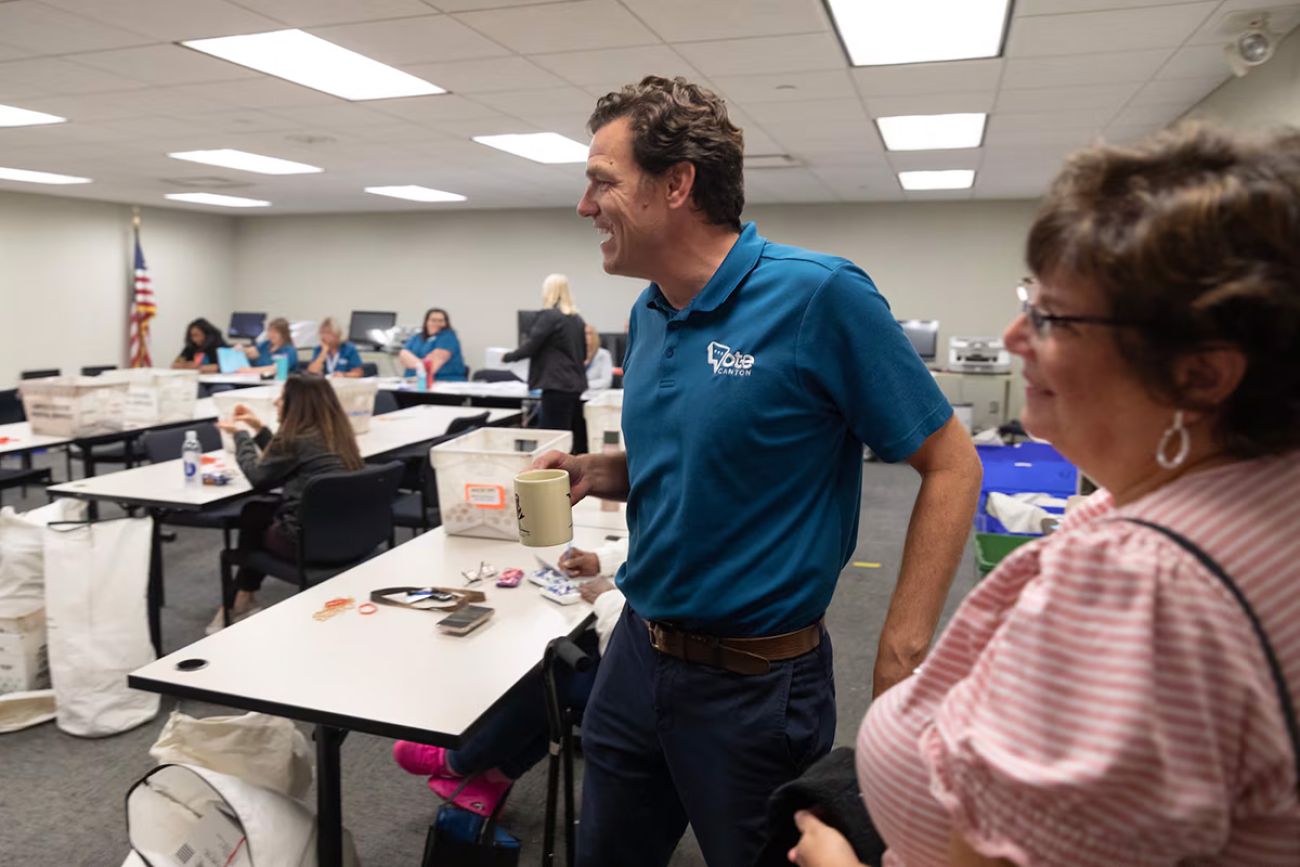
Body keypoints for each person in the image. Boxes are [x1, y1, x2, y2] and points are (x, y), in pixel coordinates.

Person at [789, 126, 1300, 867]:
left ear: (1202, 374)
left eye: (1055, 317)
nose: (1014, 334)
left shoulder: (1143, 585)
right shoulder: (1257, 490)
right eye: (1030, 299)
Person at [535, 76, 981, 867]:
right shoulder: (649, 307)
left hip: (755, 687)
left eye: (602, 181)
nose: (584, 204)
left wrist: (902, 654)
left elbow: (952, 462)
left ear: (677, 184)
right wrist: (601, 468)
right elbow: (710, 446)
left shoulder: (819, 297)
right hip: (637, 652)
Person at [392, 539, 627, 816]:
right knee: (562, 670)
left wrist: (607, 598)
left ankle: (457, 760)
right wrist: (601, 560)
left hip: (651, 677)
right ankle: (494, 777)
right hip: (658, 662)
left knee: (552, 672)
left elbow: (632, 632)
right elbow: (646, 540)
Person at [209, 375, 364, 633]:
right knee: (260, 512)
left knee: (254, 513)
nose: (276, 402)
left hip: (310, 543)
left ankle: (238, 601)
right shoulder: (339, 434)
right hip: (351, 534)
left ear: (297, 404)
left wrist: (240, 437)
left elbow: (259, 477)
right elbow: (286, 458)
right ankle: (241, 599)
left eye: (282, 398)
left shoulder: (295, 439)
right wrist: (260, 430)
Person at [502, 274, 588, 446]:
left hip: (556, 384)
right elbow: (583, 354)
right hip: (574, 385)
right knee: (568, 436)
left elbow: (531, 345)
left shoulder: (550, 316)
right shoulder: (577, 319)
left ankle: (553, 472)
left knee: (551, 438)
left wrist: (507, 357)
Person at [398, 307, 467, 382]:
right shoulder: (417, 337)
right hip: (413, 381)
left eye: (441, 321)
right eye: (433, 320)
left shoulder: (448, 336)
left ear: (446, 323)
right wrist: (421, 365)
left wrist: (414, 363)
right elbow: (403, 355)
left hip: (443, 382)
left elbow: (431, 366)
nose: (437, 323)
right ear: (426, 322)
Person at [584, 323, 614, 390]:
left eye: (588, 333)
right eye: (582, 334)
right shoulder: (574, 354)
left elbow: (606, 382)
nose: (585, 336)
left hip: (596, 396)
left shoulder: (604, 355)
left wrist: (584, 385)